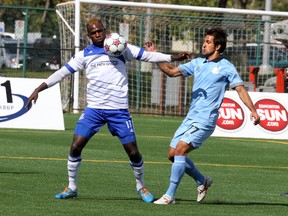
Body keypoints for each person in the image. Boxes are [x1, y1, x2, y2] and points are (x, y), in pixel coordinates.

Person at [25, 18, 189, 202]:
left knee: (133, 152)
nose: (98, 35)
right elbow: (62, 73)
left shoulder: (120, 47)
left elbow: (148, 55)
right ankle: (71, 187)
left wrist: (173, 57)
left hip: (118, 111)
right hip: (94, 110)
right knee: (76, 145)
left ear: (105, 30)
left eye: (100, 31)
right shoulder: (84, 55)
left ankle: (141, 186)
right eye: (94, 33)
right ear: (88, 35)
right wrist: (39, 88)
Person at [147, 27, 261, 204]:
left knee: (180, 151)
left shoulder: (226, 67)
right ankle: (202, 181)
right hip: (190, 117)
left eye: (208, 42)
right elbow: (171, 71)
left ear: (217, 46)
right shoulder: (198, 63)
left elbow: (240, 89)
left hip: (206, 120)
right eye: (204, 41)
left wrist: (253, 110)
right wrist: (155, 55)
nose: (204, 44)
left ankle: (169, 196)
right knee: (172, 155)